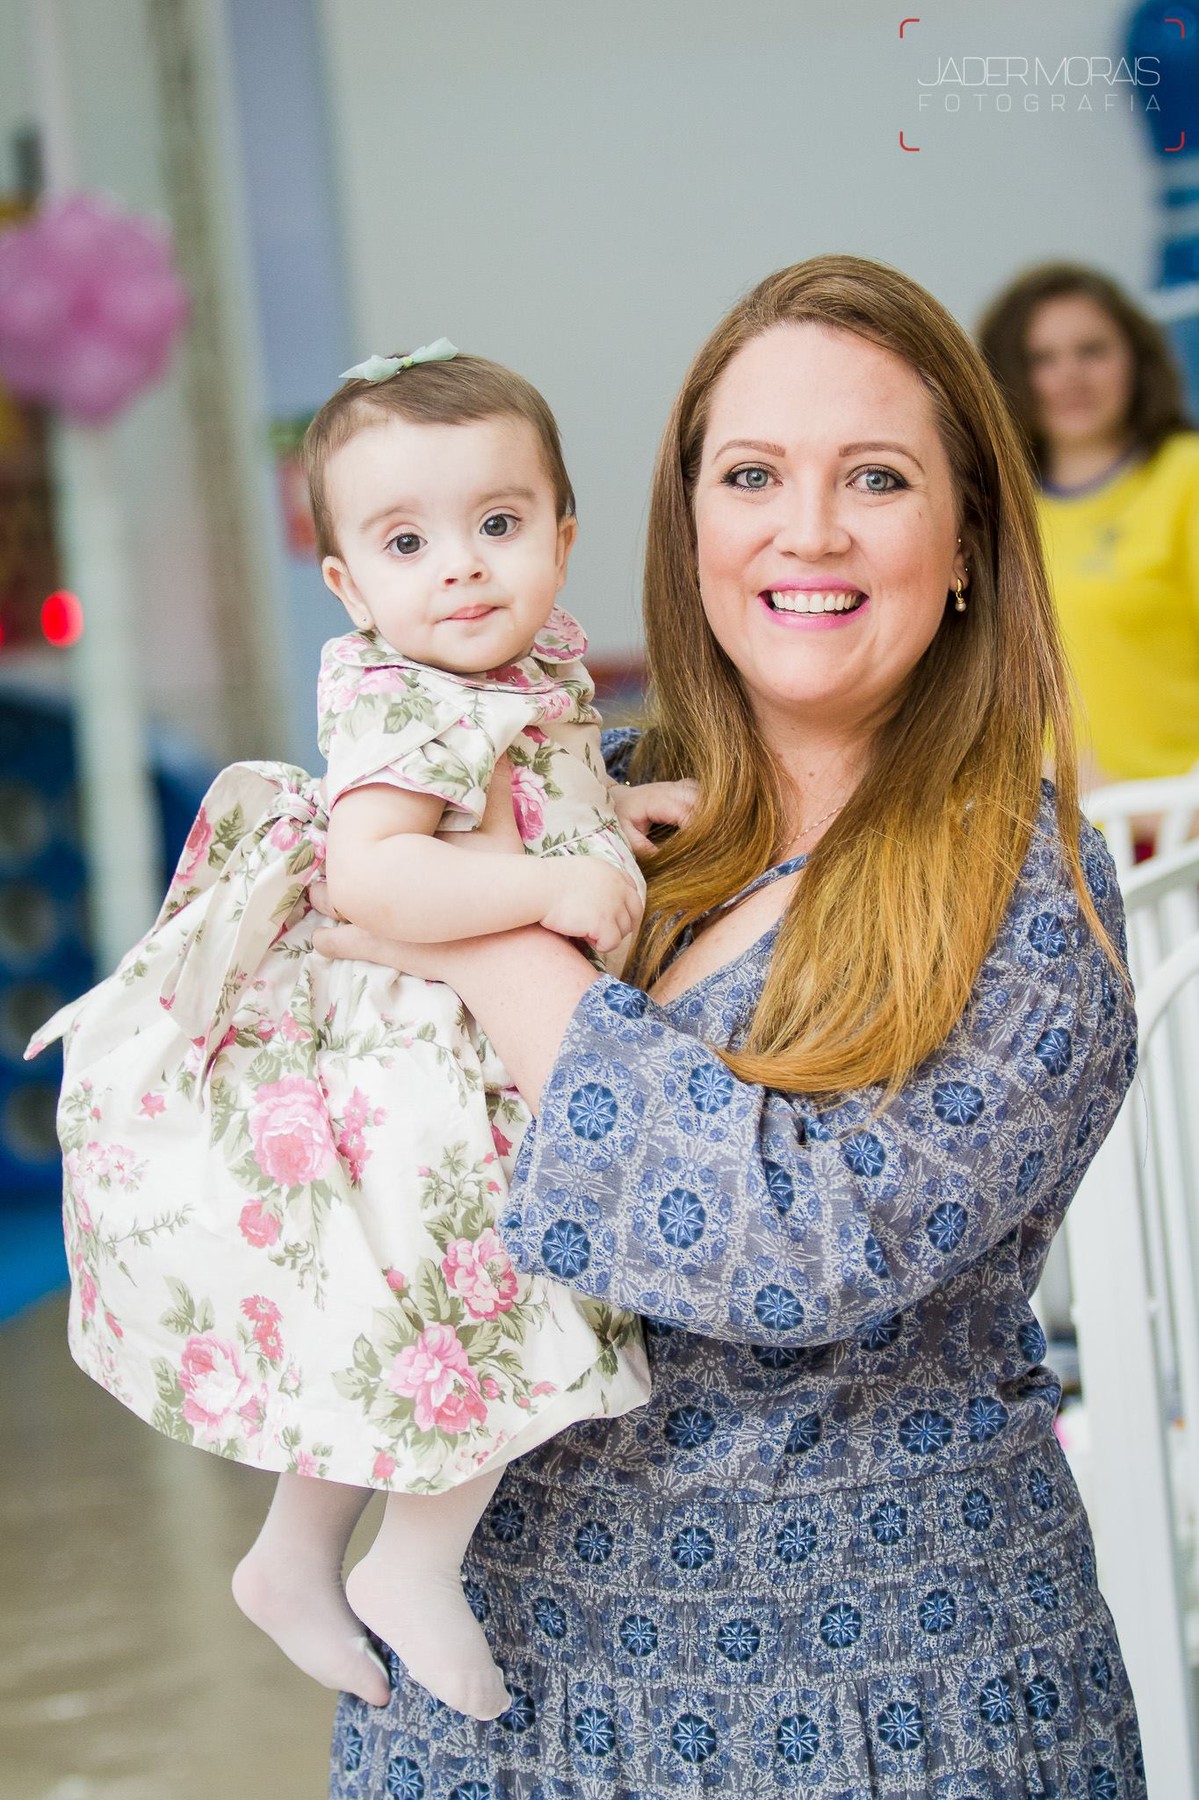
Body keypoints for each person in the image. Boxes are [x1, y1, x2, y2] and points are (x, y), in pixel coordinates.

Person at [319, 257, 1144, 1798]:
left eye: (875, 478)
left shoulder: (1024, 884)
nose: (805, 531)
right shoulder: (594, 797)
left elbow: (793, 1248)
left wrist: (493, 946)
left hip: (874, 1717)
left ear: (966, 540)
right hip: (479, 1706)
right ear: (685, 524)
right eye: (750, 475)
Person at [28, 346, 711, 1721]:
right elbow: (381, 875)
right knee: (491, 1286)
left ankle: (291, 1559)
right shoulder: (405, 696)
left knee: (404, 1313)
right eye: (406, 543)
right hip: (413, 1058)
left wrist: (608, 809)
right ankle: (411, 1560)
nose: (458, 567)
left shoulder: (520, 668)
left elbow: (523, 783)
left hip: (457, 1038)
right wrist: (549, 888)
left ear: (561, 534)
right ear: (347, 584)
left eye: (497, 523)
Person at [978, 262, 1199, 788]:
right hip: (1033, 821)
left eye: (1092, 351)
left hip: (1172, 822)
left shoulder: (1186, 476)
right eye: (1042, 359)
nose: (1070, 377)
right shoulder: (991, 508)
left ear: (1137, 359)